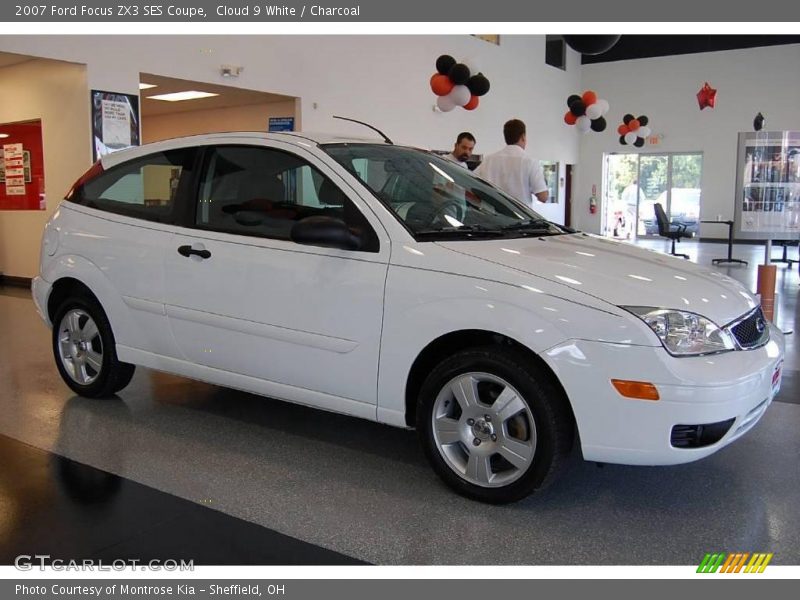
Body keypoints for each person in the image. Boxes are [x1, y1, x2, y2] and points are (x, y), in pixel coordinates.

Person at [474, 119, 548, 206]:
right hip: (520, 216)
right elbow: (543, 197)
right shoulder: (530, 162)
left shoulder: (488, 160)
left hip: (492, 215)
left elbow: (473, 183)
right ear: (523, 137)